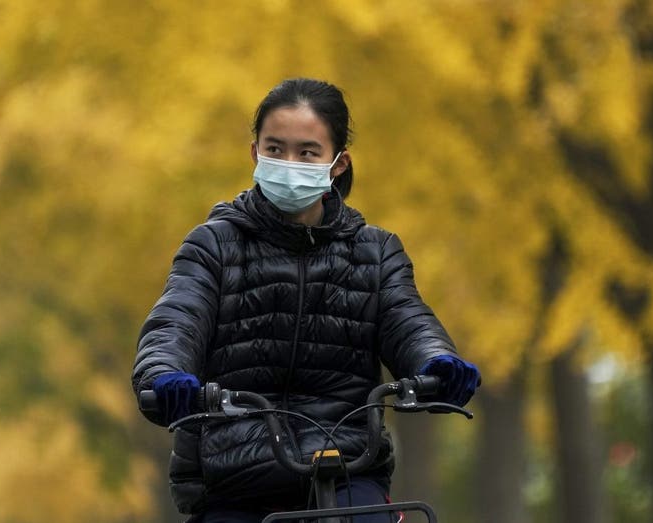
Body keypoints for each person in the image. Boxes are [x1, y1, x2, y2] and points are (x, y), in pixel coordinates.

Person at [132, 78, 480, 523]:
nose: (288, 163)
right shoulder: (212, 246)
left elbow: (408, 319)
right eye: (275, 149)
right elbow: (176, 321)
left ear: (337, 164)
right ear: (255, 152)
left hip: (348, 467)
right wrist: (165, 376)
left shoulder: (376, 253)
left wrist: (436, 363)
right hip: (236, 477)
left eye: (307, 152)